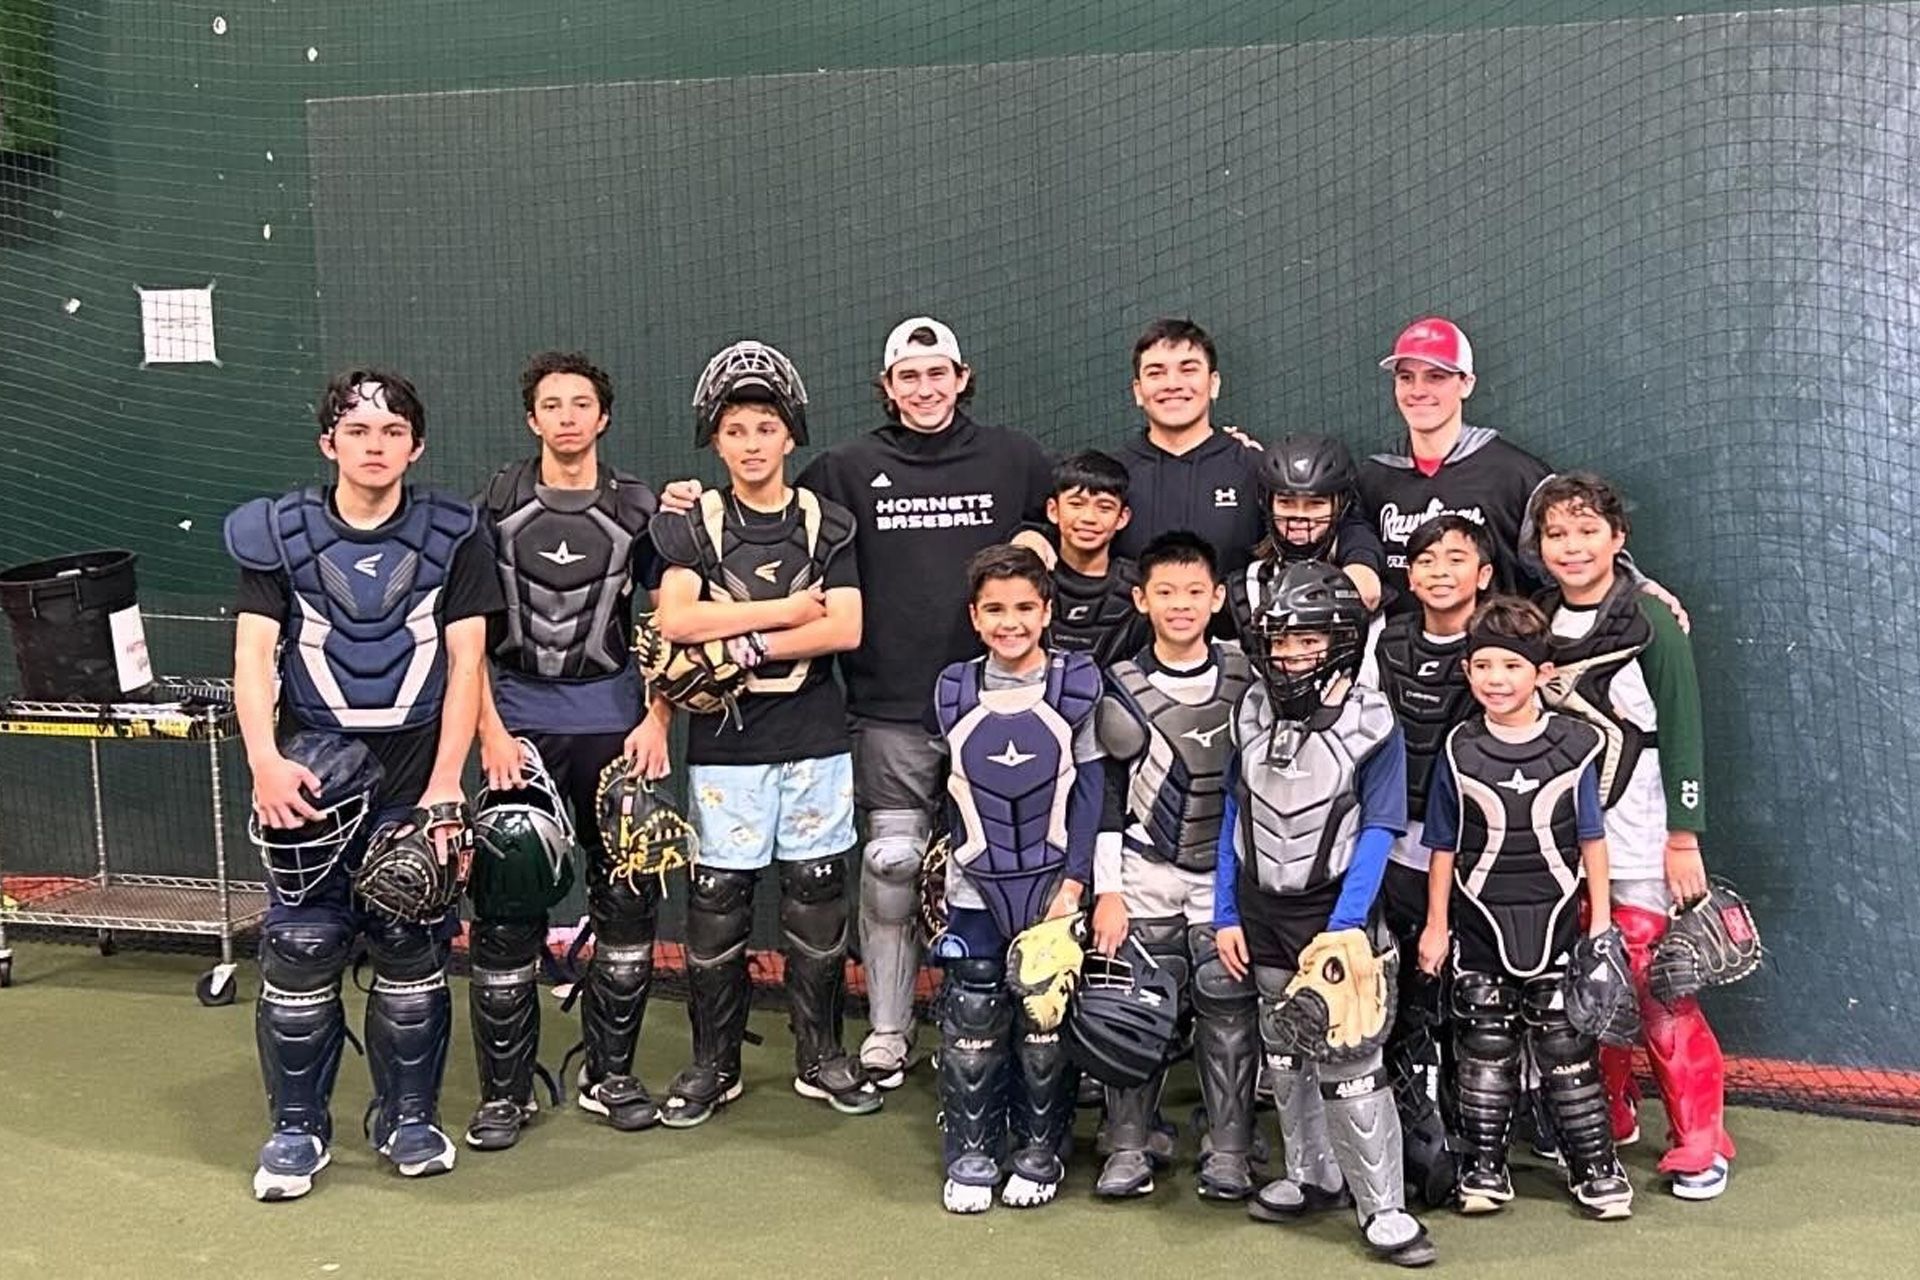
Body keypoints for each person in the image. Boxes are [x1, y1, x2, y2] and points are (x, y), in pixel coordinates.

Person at [659, 316, 1053, 1088]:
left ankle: (1019, 1025)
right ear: (886, 387)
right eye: (908, 376)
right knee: (889, 864)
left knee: (1016, 865)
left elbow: (1070, 517)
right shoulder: (843, 472)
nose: (925, 388)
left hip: (998, 708)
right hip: (887, 711)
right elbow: (754, 529)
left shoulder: (1016, 457)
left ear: (962, 377)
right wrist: (684, 507)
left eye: (938, 373)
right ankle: (884, 1033)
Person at [226, 369, 502, 1199]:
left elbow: (466, 665)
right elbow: (250, 658)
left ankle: (409, 1116)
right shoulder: (276, 534)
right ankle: (298, 1129)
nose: (374, 446)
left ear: (414, 446)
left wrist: (447, 787)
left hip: (416, 777)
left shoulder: (456, 533)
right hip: (308, 778)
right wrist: (263, 763)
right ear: (329, 443)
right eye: (356, 431)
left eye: (390, 433)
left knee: (412, 947)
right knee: (301, 947)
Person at [648, 339, 881, 1125]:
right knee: (717, 900)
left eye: (766, 427)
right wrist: (779, 616)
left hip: (813, 737)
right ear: (716, 440)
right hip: (726, 743)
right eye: (737, 429)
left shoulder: (829, 523)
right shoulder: (691, 525)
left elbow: (844, 628)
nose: (752, 443)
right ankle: (714, 1063)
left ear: (791, 435)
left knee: (818, 895)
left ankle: (821, 1056)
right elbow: (675, 618)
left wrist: (730, 638)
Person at [465, 351, 673, 1149]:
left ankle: (609, 1075)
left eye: (580, 403)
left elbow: (668, 621)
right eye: (551, 405)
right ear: (532, 419)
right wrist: (488, 730)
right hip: (517, 721)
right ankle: (505, 1094)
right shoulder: (495, 503)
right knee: (509, 904)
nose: (566, 417)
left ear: (603, 416)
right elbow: (468, 636)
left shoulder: (640, 508)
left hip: (613, 722)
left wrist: (658, 718)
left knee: (626, 898)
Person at [1213, 560, 1435, 1266]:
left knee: (1350, 1056)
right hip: (1261, 908)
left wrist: (1346, 925)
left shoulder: (1372, 719)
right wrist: (1225, 913)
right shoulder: (1248, 709)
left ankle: (1384, 1210)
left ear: (1340, 640)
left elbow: (1379, 826)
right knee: (1284, 1050)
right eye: (1279, 641)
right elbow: (1233, 817)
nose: (1290, 655)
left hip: (1337, 911)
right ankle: (1310, 1175)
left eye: (1307, 640)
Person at [1529, 472, 1733, 1200]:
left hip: (1643, 831)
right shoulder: (1534, 620)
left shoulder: (1651, 618)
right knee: (1585, 978)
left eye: (1588, 531)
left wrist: (1685, 835)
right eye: (1557, 533)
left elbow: (1682, 729)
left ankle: (1701, 1136)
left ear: (1619, 540)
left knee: (1655, 982)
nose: (1573, 546)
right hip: (1565, 839)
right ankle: (1607, 1116)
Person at [1416, 596, 1634, 1219]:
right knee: (1485, 1047)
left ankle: (1594, 1166)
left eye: (1510, 666)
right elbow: (1442, 845)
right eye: (1482, 665)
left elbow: (1591, 837)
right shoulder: (1460, 749)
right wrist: (1436, 927)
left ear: (1541, 673)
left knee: (1567, 1053)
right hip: (1478, 927)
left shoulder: (1577, 744)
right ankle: (1484, 1168)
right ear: (1468, 672)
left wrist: (1601, 924)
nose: (1495, 679)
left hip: (1561, 924)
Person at [932, 544, 1104, 1214]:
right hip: (974, 884)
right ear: (975, 617)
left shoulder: (1078, 684)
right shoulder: (951, 689)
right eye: (996, 609)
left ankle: (1041, 1148)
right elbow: (939, 786)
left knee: (1043, 1020)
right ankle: (971, 1149)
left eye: (1025, 608)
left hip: (1051, 883)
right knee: (972, 1018)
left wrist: (1077, 882)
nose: (1011, 622)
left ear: (1048, 612)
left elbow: (1092, 791)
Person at [1089, 531, 1260, 1201]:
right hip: (1145, 871)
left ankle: (1231, 1147)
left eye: (1195, 592)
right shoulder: (1120, 686)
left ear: (1218, 597)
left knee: (1228, 1005)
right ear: (1141, 599)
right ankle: (1130, 1144)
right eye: (1165, 592)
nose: (1181, 605)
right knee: (1130, 1007)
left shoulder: (1249, 676)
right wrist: (1107, 892)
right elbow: (1102, 796)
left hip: (1227, 876)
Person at [1363, 513, 1495, 1204]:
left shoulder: (1501, 645)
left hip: (1477, 850)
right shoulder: (1389, 638)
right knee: (1404, 990)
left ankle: (1482, 1138)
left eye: (1456, 558)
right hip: (1394, 842)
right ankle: (1407, 1133)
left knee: (1471, 999)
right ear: (1407, 576)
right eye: (1425, 560)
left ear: (1485, 574)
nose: (1440, 572)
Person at [1356, 317, 1554, 609]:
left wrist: (1633, 582)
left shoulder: (1517, 475)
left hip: (1492, 648)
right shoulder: (1373, 478)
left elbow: (1571, 558)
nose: (1418, 390)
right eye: (1406, 377)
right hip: (1401, 650)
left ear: (1466, 384)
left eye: (1436, 376)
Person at [1107, 318, 1267, 574]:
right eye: (1156, 373)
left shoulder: (1255, 468)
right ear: (1138, 391)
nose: (1172, 384)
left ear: (1214, 384)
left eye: (1188, 369)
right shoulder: (1111, 475)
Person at [1227, 432, 1388, 645]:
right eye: (1286, 502)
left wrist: (1361, 563)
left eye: (1315, 504)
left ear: (1339, 506)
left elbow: (1367, 589)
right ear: (1268, 503)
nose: (1299, 515)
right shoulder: (1248, 582)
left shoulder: (1356, 543)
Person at [1045, 449, 1149, 668]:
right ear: (1053, 510)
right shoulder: (1028, 581)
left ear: (1122, 518)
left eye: (1104, 507)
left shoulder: (1140, 589)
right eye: (1076, 504)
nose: (1088, 518)